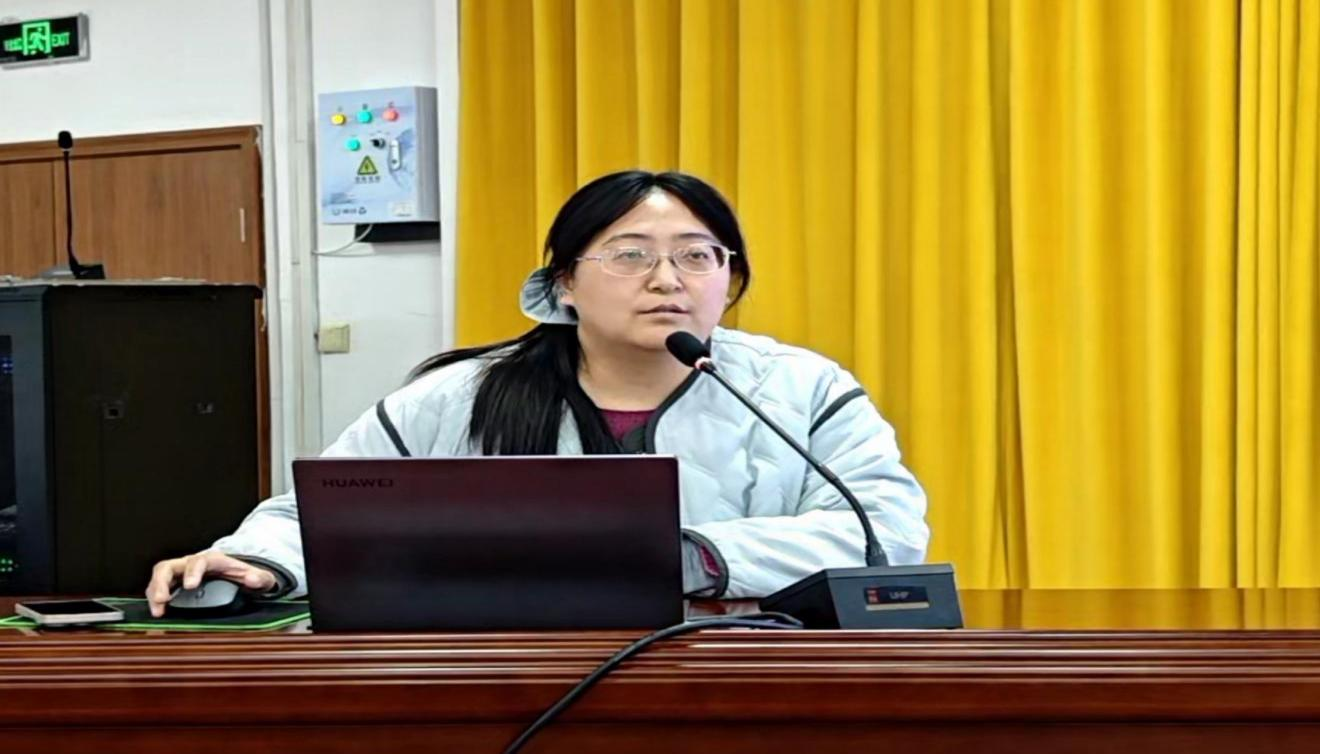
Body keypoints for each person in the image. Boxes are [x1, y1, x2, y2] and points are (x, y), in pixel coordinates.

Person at [144, 170, 930, 617]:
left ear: (730, 280)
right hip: (502, 679)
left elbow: (884, 534)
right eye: (631, 255)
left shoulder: (801, 389)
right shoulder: (459, 397)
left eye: (698, 257)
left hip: (735, 682)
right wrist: (253, 561)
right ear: (564, 285)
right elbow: (317, 514)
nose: (668, 280)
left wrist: (693, 554)